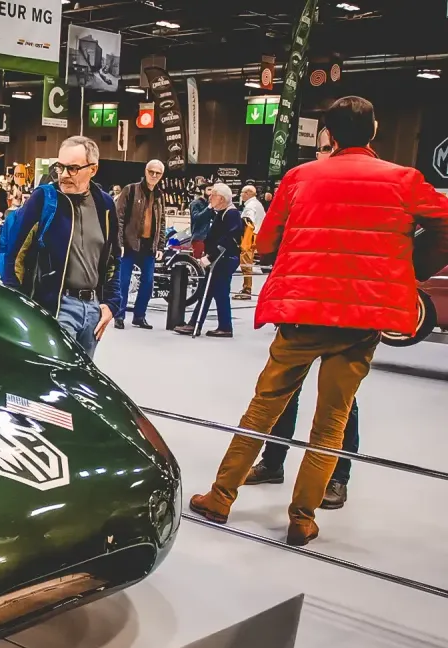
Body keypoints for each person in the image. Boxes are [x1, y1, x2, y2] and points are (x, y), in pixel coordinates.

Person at [189, 96, 448, 545]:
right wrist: (412, 265)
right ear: (374, 130)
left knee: (263, 408)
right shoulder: (403, 180)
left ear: (328, 135)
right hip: (360, 320)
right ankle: (302, 517)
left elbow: (266, 244)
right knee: (332, 420)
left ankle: (221, 496)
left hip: (302, 314)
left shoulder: (300, 177)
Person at [243, 128, 359, 511]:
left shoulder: (357, 191)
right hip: (299, 307)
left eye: (331, 147)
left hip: (343, 313)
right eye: (322, 147)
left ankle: (337, 477)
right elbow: (273, 241)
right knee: (283, 390)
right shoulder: (301, 185)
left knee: (340, 402)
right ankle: (273, 461)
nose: (327, 154)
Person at [0, 135, 120, 357]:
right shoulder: (44, 199)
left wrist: (111, 304)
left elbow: (113, 258)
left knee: (83, 376)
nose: (63, 175)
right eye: (60, 167)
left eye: (72, 168)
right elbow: (14, 255)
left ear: (93, 169)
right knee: (52, 373)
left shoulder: (105, 205)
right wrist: (19, 306)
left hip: (93, 310)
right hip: (55, 308)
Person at [174, 182, 242, 338]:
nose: (209, 197)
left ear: (221, 198)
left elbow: (228, 239)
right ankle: (219, 326)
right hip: (221, 258)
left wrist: (210, 257)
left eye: (213, 195)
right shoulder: (223, 212)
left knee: (210, 291)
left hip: (223, 258)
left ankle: (197, 324)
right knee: (215, 292)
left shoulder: (231, 214)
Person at [113, 159, 166, 330]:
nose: (154, 175)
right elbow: (119, 217)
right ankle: (119, 315)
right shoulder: (131, 190)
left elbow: (162, 221)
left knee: (148, 282)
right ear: (145, 171)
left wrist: (160, 246)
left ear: (161, 175)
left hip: (148, 246)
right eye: (151, 172)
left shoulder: (159, 195)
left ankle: (139, 316)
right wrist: (119, 242)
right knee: (123, 282)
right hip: (129, 245)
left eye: (158, 173)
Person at [233, 184, 266, 300]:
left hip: (249, 237)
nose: (241, 195)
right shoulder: (257, 204)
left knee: (246, 264)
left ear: (248, 193)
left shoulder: (250, 206)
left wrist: (244, 242)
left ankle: (247, 289)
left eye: (242, 193)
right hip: (256, 236)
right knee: (247, 264)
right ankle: (246, 288)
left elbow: (248, 224)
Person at [190, 180, 213, 258]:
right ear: (203, 191)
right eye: (209, 190)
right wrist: (209, 208)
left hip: (208, 237)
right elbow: (196, 218)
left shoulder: (208, 203)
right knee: (198, 260)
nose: (211, 192)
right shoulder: (195, 203)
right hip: (199, 237)